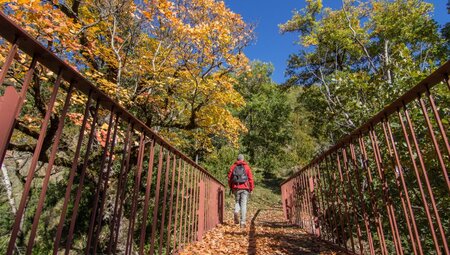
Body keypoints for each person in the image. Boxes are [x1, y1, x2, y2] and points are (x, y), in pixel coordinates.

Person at [228, 154, 254, 228]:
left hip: (236, 187)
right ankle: (242, 222)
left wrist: (231, 187)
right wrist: (251, 188)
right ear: (243, 159)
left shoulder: (233, 167)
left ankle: (236, 211)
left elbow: (229, 178)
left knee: (237, 202)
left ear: (237, 159)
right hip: (245, 188)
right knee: (243, 204)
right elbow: (250, 179)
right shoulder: (246, 167)